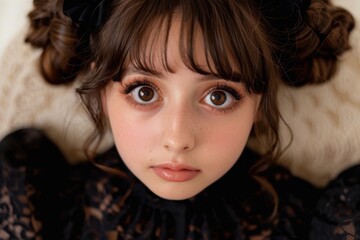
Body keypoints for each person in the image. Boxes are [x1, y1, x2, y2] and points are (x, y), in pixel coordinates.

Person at [0, 0, 358, 239]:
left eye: (218, 96)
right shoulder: (33, 204)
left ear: (260, 99)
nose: (177, 138)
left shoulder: (326, 222)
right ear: (102, 91)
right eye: (144, 92)